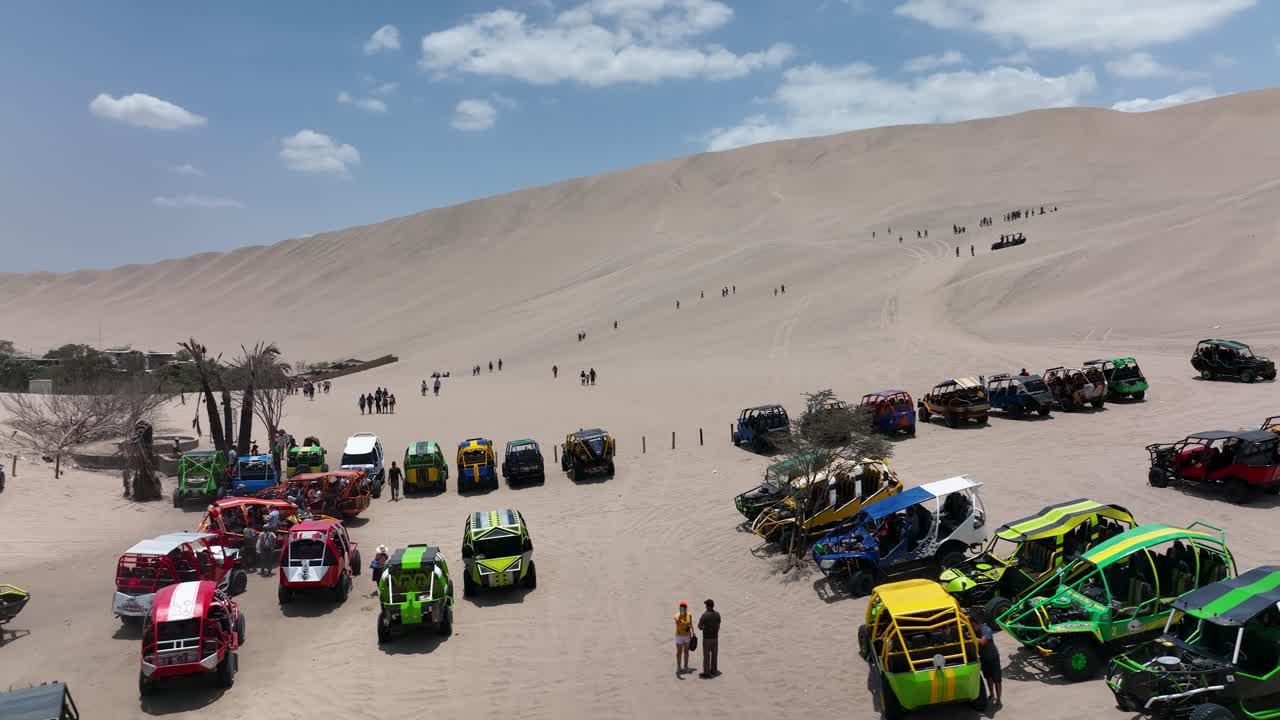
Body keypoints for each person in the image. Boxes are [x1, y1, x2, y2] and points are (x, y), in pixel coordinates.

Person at [975, 612, 1003, 706]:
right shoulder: (974, 631)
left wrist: (972, 637)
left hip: (993, 658)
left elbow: (983, 642)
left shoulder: (987, 629)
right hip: (984, 658)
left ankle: (998, 699)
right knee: (988, 678)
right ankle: (992, 694)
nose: (973, 627)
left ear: (979, 623)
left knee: (997, 679)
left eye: (974, 625)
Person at [698, 599, 721, 678]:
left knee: (706, 656)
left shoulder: (705, 615)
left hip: (707, 638)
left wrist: (704, 627)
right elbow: (719, 624)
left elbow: (699, 626)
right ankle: (714, 670)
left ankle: (707, 673)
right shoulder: (717, 614)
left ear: (708, 606)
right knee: (714, 655)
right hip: (715, 638)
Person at [674, 601, 694, 674]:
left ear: (686, 608)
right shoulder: (677, 615)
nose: (683, 608)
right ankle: (679, 667)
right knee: (679, 652)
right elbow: (677, 622)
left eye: (684, 607)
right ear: (680, 608)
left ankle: (686, 666)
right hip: (679, 636)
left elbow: (691, 624)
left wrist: (690, 628)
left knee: (686, 652)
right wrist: (680, 615)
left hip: (687, 636)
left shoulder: (689, 615)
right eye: (681, 607)